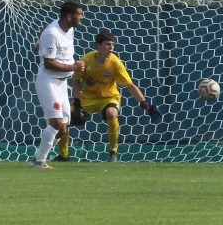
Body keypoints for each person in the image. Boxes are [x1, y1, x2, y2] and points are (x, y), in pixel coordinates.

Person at [53, 31, 162, 162]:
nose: (111, 48)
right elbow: (76, 81)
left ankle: (113, 153)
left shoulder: (115, 63)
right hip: (87, 98)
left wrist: (145, 104)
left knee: (111, 114)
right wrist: (76, 103)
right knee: (65, 119)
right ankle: (64, 155)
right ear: (98, 45)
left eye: (113, 45)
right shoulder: (86, 60)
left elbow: (130, 85)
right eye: (107, 44)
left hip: (109, 97)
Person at [29, 1, 86, 169]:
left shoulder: (69, 30)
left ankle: (39, 157)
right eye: (79, 14)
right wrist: (73, 67)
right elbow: (48, 63)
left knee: (63, 128)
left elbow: (38, 49)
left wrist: (39, 43)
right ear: (69, 16)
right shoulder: (52, 33)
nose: (82, 17)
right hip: (49, 82)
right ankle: (39, 161)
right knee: (56, 124)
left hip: (62, 84)